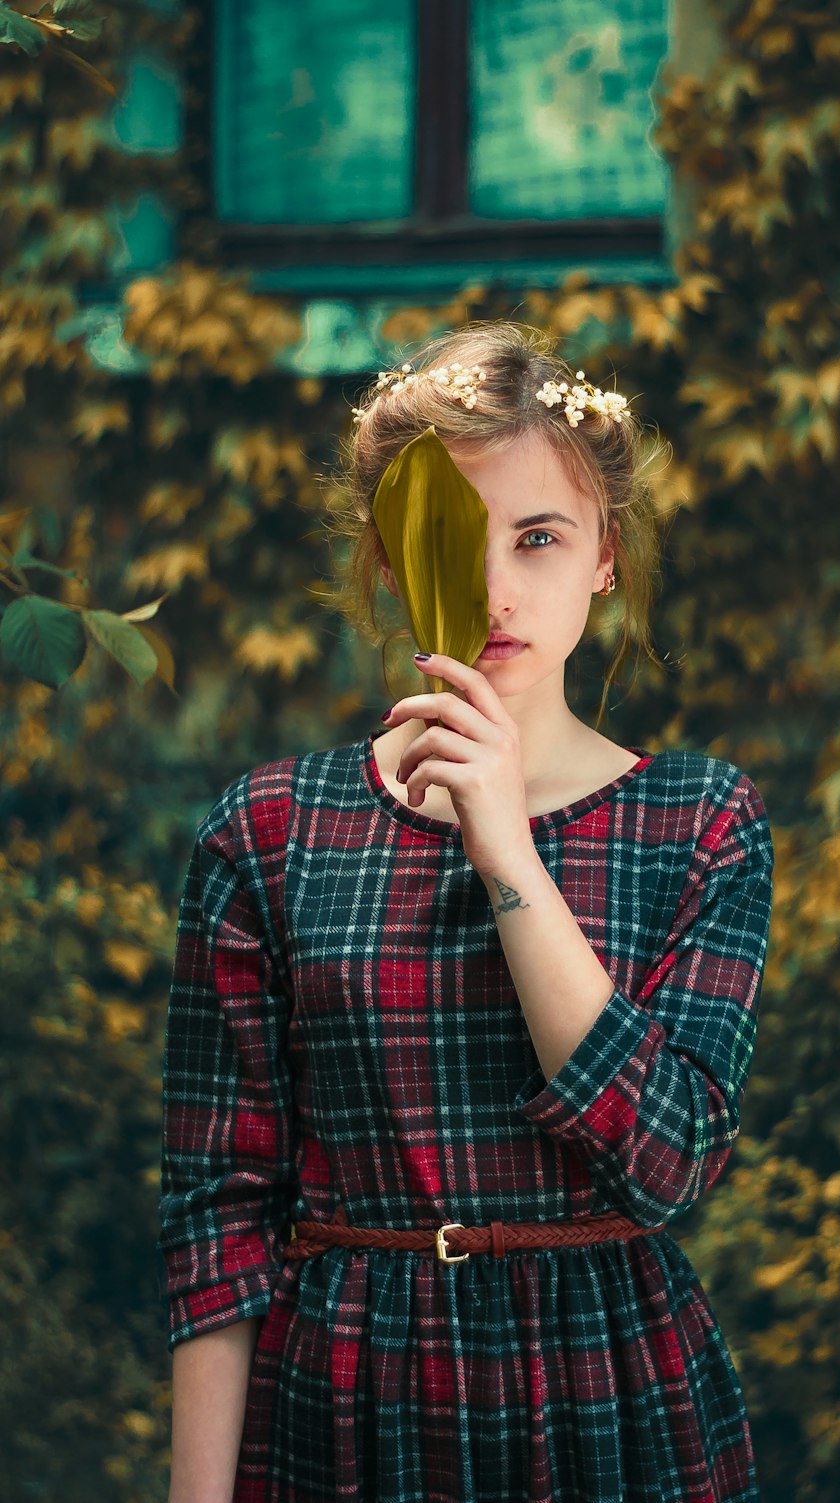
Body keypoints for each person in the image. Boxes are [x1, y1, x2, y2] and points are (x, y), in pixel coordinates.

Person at [158, 321, 774, 1503]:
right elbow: (219, 1209)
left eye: (539, 538)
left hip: (609, 1396)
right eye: (453, 538)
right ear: (392, 560)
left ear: (603, 556)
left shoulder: (699, 820)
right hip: (346, 1406)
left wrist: (506, 850)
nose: (496, 588)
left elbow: (671, 1161)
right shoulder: (269, 829)